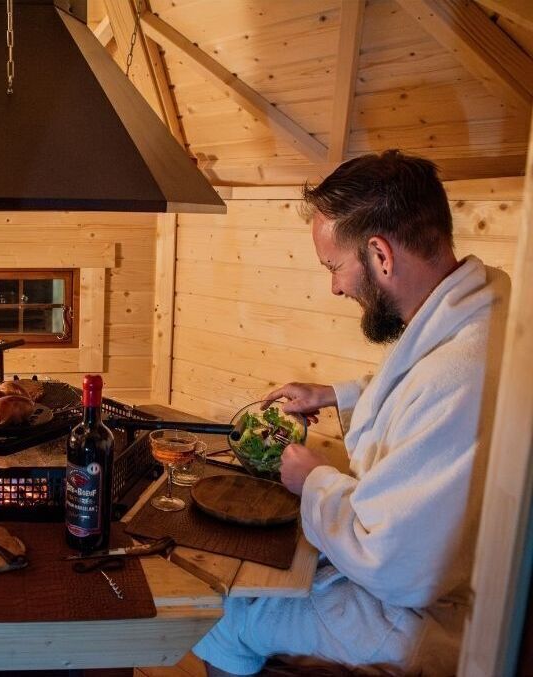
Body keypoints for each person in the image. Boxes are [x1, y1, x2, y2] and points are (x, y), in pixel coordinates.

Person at [193, 150, 510, 676]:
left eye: (334, 266)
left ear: (381, 255)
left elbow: (396, 565)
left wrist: (313, 478)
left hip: (420, 616)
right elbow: (413, 395)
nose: (335, 286)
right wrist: (333, 394)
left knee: (218, 615)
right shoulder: (479, 308)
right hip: (423, 582)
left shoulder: (459, 377)